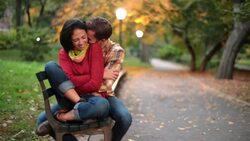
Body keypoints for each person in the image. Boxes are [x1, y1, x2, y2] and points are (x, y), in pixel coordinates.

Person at [36, 17, 132, 141]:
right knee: (41, 120)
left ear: (100, 40)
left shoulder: (110, 50)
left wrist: (90, 79)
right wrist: (98, 74)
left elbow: (103, 84)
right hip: (74, 95)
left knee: (124, 117)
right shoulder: (69, 51)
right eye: (77, 39)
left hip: (102, 95)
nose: (83, 42)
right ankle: (76, 117)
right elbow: (68, 79)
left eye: (86, 38)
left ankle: (64, 116)